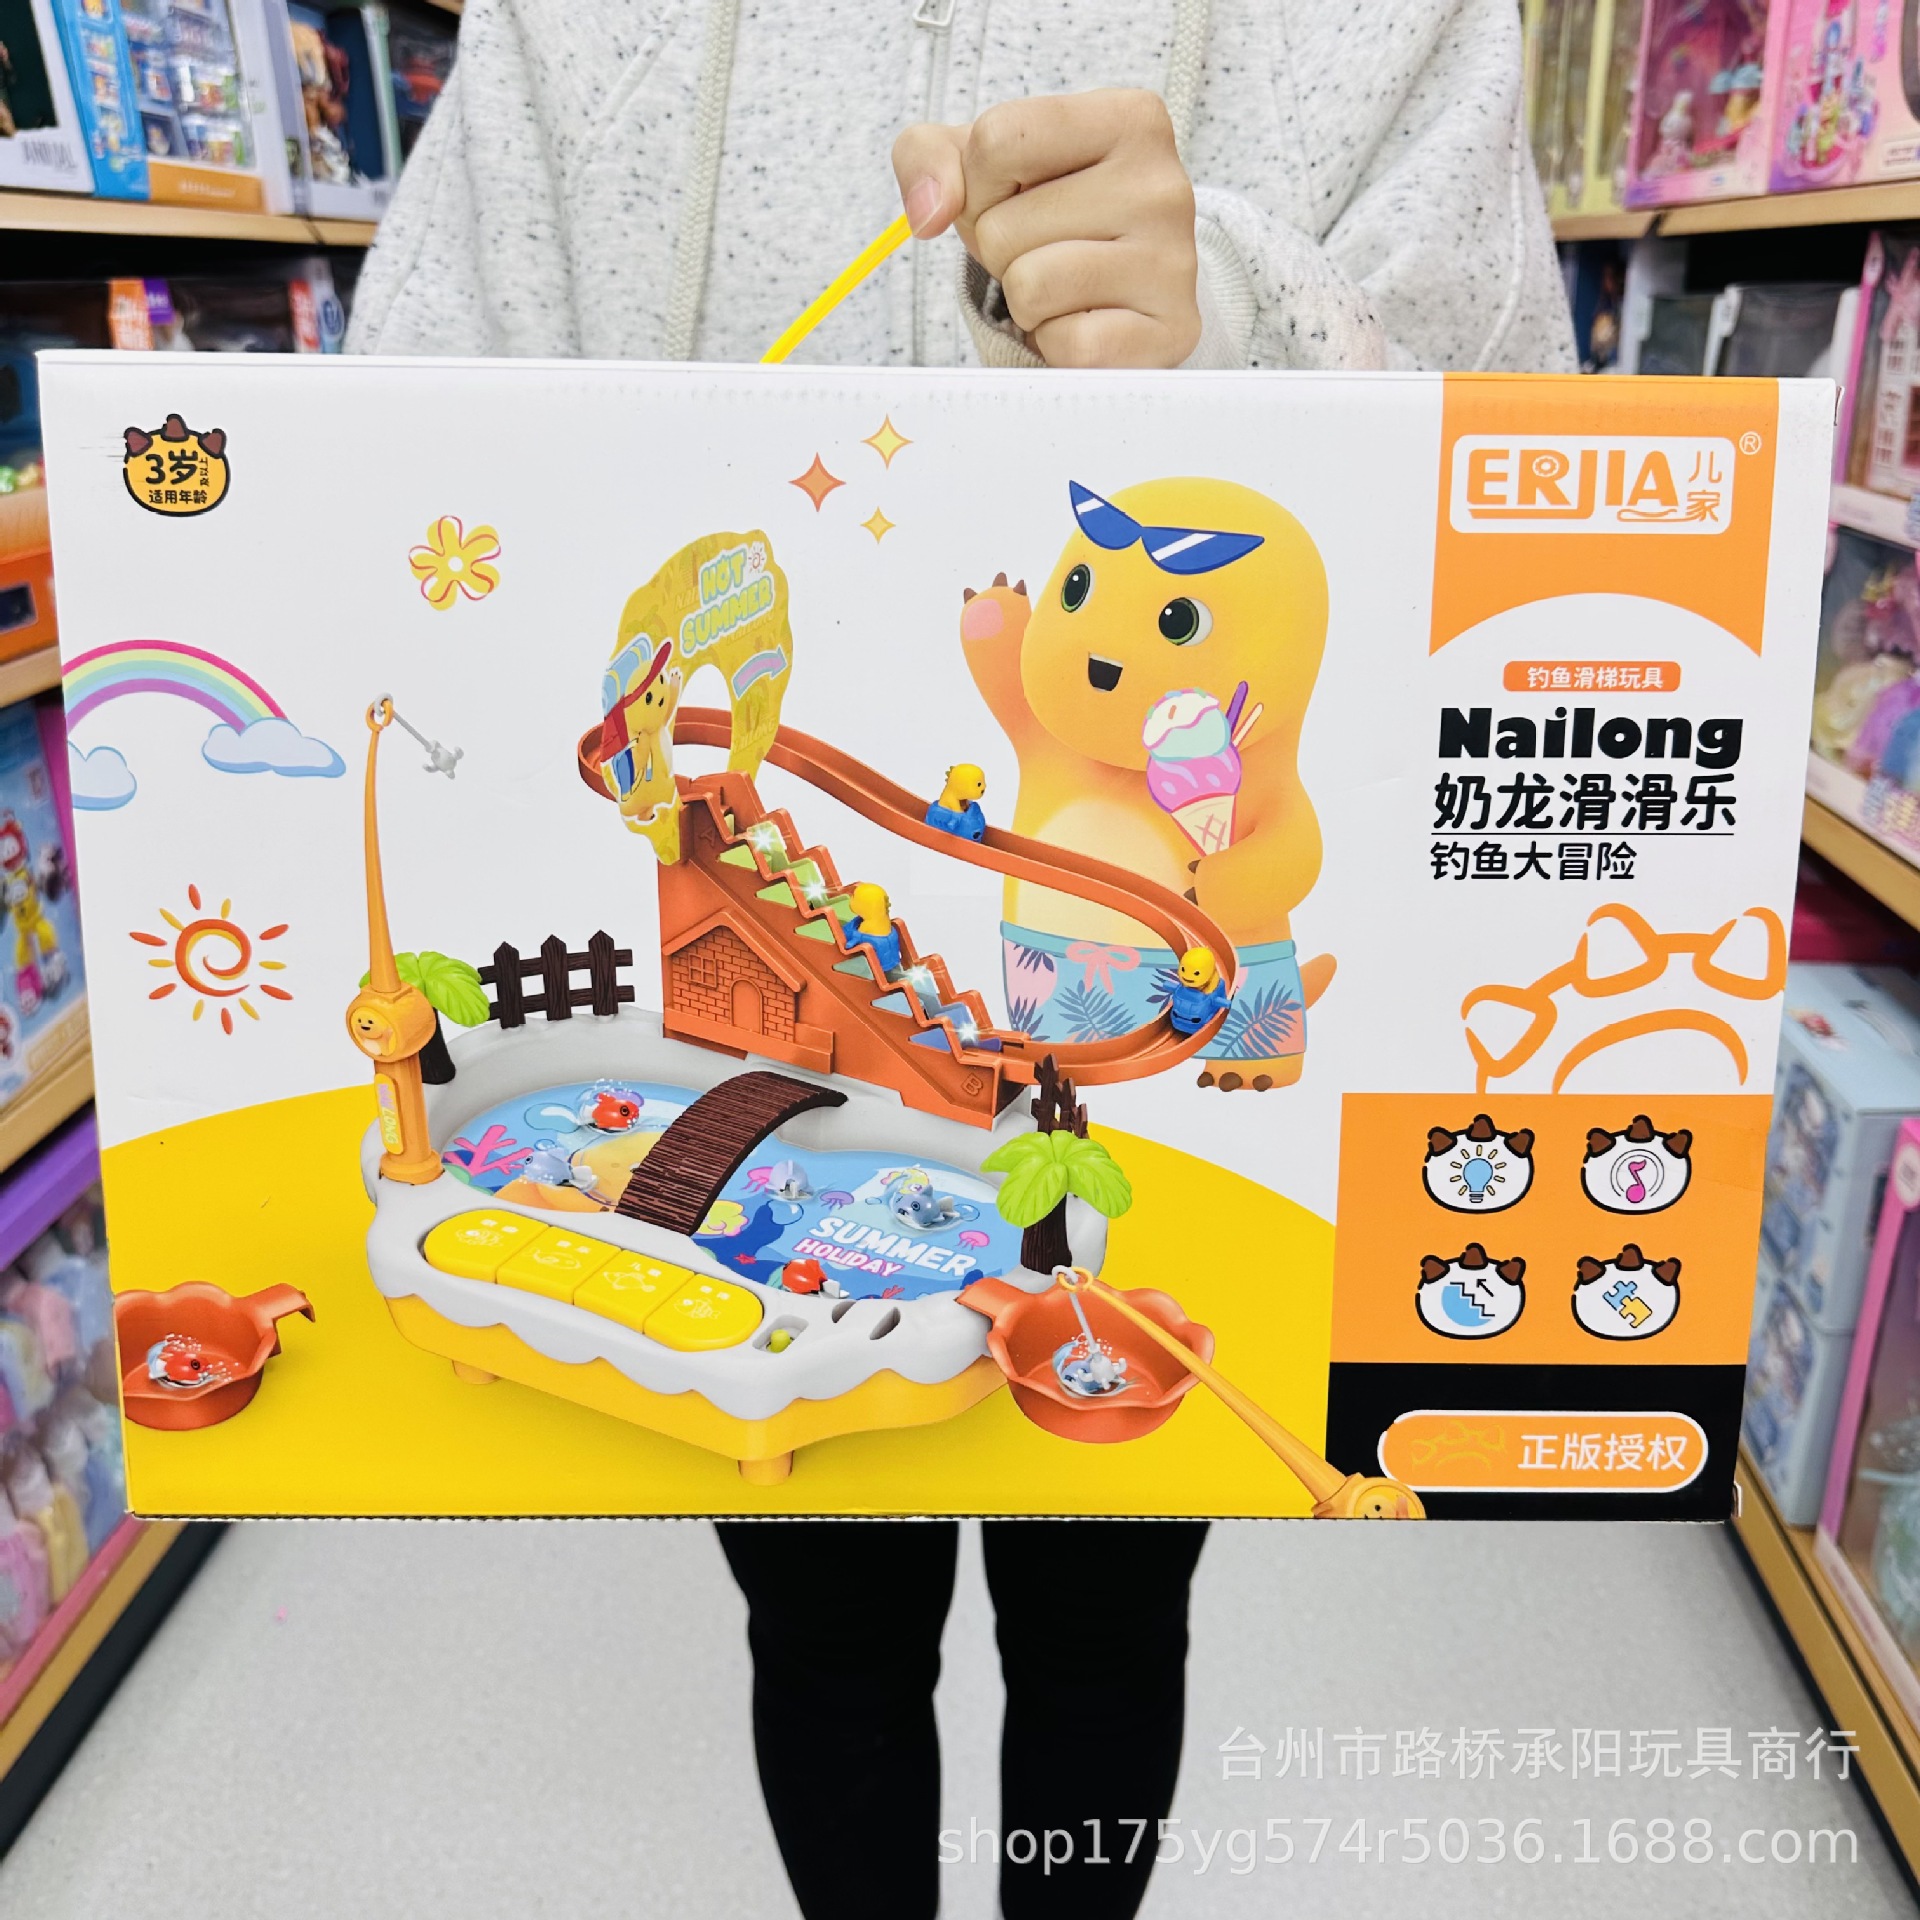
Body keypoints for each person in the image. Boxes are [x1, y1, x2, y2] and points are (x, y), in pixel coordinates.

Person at [349, 7, 1574, 1916]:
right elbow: (382, 453)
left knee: (1108, 1601)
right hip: (844, 1097)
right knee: (827, 1612)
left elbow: (1534, 473)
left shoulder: (1387, 28)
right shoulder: (567, 34)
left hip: (1143, 1115)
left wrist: (1247, 321)